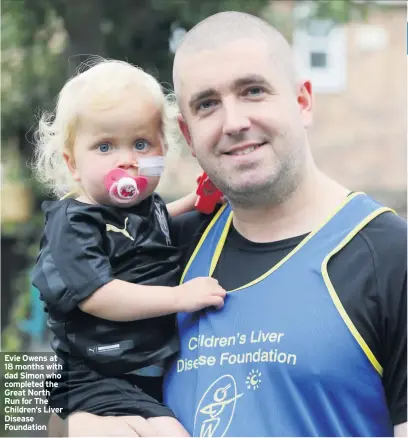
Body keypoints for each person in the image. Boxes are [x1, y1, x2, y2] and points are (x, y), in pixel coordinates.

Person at [48, 11, 407, 437]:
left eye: (253, 91)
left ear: (303, 101)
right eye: (207, 104)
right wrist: (73, 425)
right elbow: (77, 380)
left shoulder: (388, 255)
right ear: (188, 133)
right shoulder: (165, 250)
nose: (234, 122)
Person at [31, 59, 227, 437]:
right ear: (73, 163)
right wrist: (178, 297)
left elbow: (140, 231)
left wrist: (193, 202)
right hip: (93, 376)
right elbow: (98, 295)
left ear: (163, 148)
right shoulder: (74, 223)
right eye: (104, 146)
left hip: (140, 375)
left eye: (141, 144)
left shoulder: (140, 208)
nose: (127, 160)